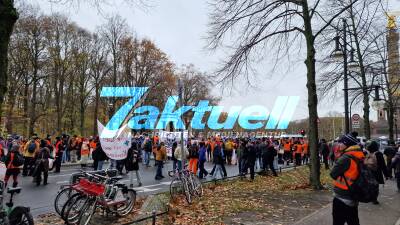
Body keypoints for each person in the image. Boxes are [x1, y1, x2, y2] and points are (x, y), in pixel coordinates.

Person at [330, 134, 363, 225]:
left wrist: (338, 158)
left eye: (341, 143)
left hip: (342, 195)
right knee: (353, 221)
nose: (339, 145)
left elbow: (333, 174)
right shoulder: (360, 154)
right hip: (354, 193)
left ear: (347, 145)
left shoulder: (345, 158)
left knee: (338, 222)